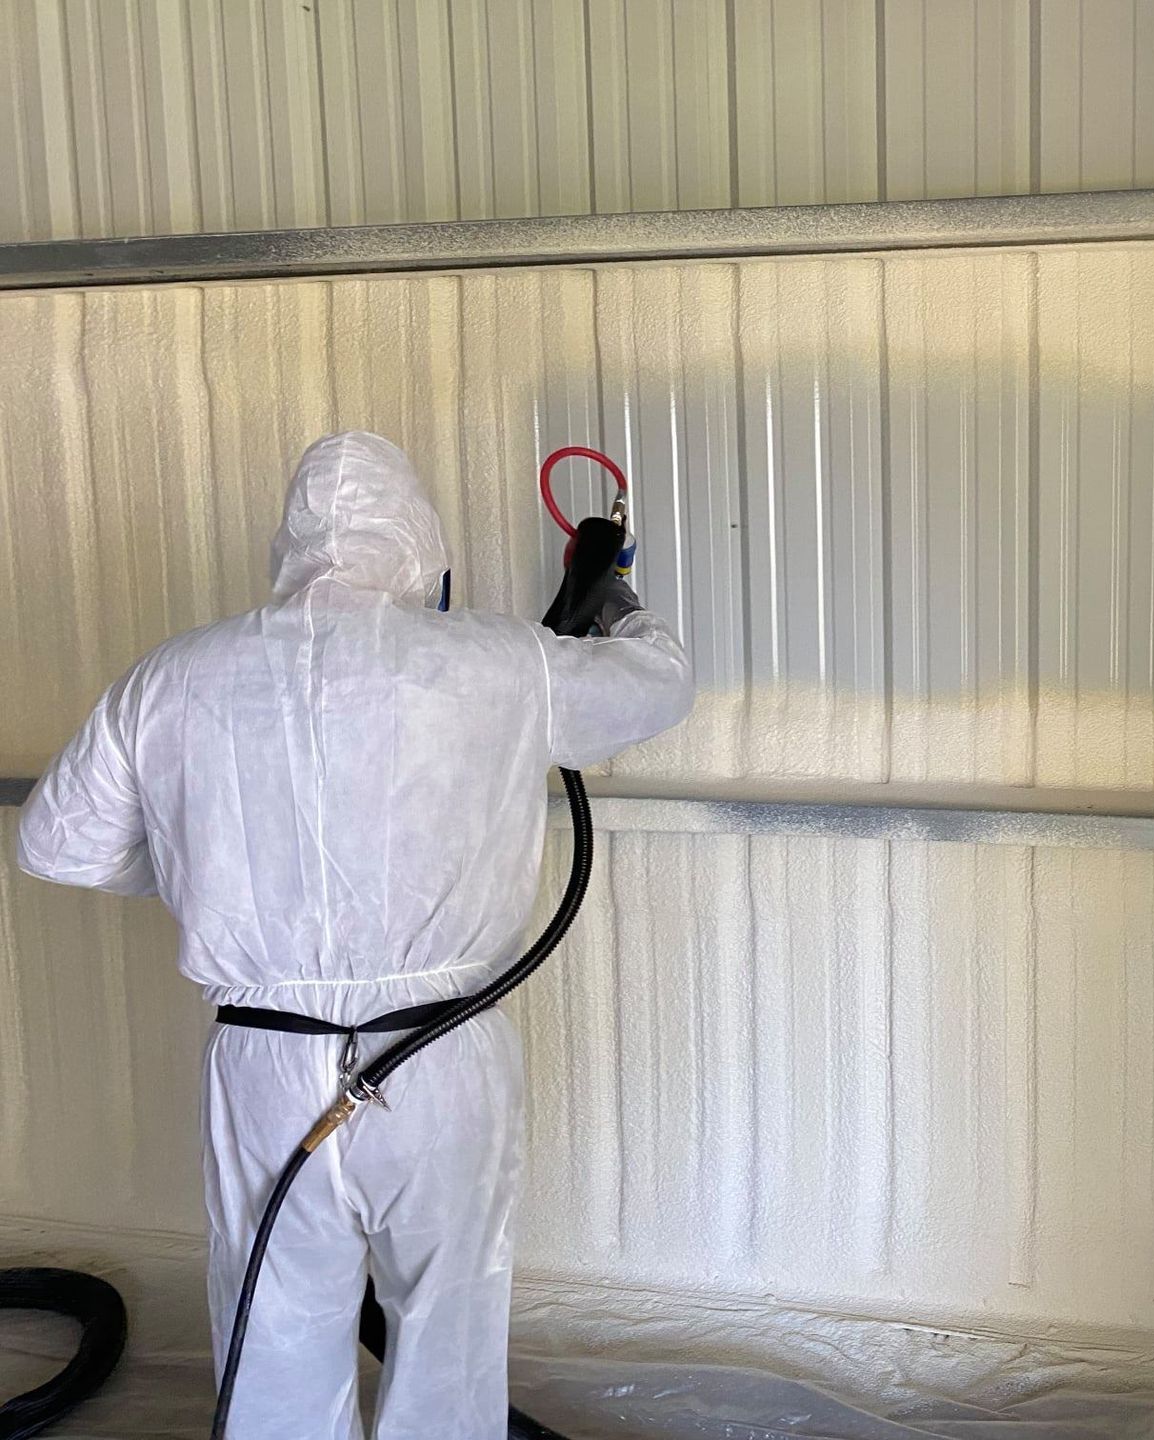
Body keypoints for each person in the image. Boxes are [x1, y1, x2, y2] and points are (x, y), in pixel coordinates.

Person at [14, 431, 694, 1438]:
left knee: (275, 1329)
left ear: (287, 543)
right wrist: (617, 594)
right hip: (444, 1053)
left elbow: (56, 844)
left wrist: (212, 877)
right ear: (419, 543)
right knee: (448, 1323)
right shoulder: (501, 662)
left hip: (265, 1060)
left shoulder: (175, 677)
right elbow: (661, 684)